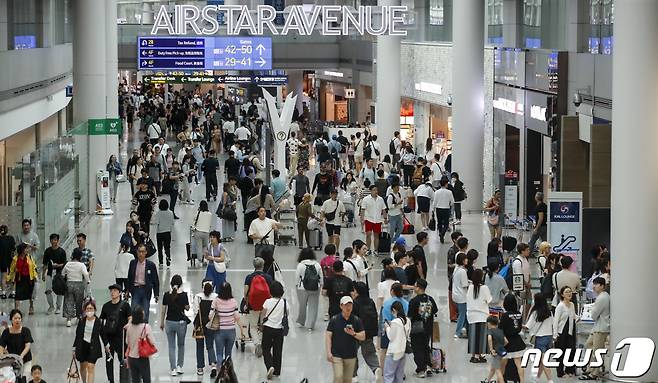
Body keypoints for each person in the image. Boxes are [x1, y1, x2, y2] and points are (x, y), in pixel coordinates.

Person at [326, 295, 366, 383]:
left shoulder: (356, 320)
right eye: (346, 305)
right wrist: (329, 352)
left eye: (350, 305)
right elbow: (328, 336)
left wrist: (354, 334)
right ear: (341, 306)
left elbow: (363, 336)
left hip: (351, 355)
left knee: (347, 380)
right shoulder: (334, 320)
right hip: (337, 354)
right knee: (338, 376)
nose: (348, 307)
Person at [99, 284, 131, 383]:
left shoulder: (125, 305)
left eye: (115, 291)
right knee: (109, 361)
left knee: (123, 360)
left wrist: (128, 325)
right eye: (111, 291)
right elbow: (101, 323)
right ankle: (111, 380)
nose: (112, 293)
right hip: (109, 338)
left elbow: (130, 318)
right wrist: (104, 342)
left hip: (121, 338)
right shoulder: (106, 306)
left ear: (120, 293)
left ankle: (124, 379)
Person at [243, 257, 274, 357]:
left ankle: (257, 343)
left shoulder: (249, 277)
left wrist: (246, 303)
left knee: (252, 326)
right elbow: (272, 292)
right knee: (263, 324)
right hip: (265, 305)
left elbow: (245, 292)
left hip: (253, 305)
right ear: (263, 265)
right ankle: (263, 342)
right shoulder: (268, 277)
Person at [580, 277, 610, 381]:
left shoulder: (602, 297)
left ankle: (595, 373)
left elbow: (593, 315)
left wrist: (592, 309)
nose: (594, 286)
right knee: (588, 345)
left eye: (596, 284)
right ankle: (591, 368)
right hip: (597, 327)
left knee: (596, 350)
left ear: (602, 286)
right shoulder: (603, 296)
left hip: (601, 328)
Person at [350, 281, 381, 380]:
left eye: (354, 290)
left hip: (357, 332)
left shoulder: (354, 303)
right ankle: (376, 369)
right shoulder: (370, 301)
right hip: (369, 331)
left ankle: (354, 375)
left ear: (357, 291)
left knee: (352, 352)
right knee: (369, 353)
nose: (352, 292)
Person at [408, 279, 438, 378]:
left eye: (415, 286)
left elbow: (410, 316)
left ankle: (421, 369)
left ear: (419, 287)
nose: (414, 287)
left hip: (416, 329)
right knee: (426, 346)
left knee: (417, 349)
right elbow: (435, 311)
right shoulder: (430, 299)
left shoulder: (414, 301)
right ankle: (428, 366)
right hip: (428, 327)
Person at [260, 281, 288, 379]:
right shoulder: (284, 302)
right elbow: (286, 314)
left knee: (266, 348)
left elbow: (263, 314)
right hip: (279, 330)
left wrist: (260, 324)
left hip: (268, 328)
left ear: (270, 291)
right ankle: (277, 370)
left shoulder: (267, 302)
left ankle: (269, 366)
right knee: (278, 350)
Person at [524, 293, 554, 383]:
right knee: (542, 359)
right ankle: (537, 377)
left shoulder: (535, 313)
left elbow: (527, 327)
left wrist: (519, 326)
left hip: (540, 338)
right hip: (549, 337)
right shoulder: (549, 312)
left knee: (543, 360)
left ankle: (550, 380)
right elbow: (553, 324)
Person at [73, 300, 104, 383]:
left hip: (93, 347)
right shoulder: (82, 321)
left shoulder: (98, 322)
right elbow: (78, 335)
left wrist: (106, 345)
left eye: (91, 309)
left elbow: (102, 334)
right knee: (83, 367)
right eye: (87, 309)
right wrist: (74, 348)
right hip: (82, 346)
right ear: (85, 310)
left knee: (90, 367)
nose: (89, 311)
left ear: (94, 310)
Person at [127, 244, 160, 322]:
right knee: (133, 311)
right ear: (137, 252)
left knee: (145, 312)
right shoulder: (133, 263)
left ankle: (144, 330)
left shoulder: (151, 265)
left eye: (143, 252)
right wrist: (128, 290)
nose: (141, 254)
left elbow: (155, 280)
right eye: (139, 252)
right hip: (135, 290)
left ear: (146, 252)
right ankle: (134, 329)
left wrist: (156, 294)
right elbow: (129, 277)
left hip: (146, 290)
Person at [466, 269, 492, 363]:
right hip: (482, 315)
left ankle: (474, 355)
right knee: (481, 337)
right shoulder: (484, 288)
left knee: (473, 336)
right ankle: (479, 355)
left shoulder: (470, 287)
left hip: (471, 315)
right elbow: (489, 300)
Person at [192, 280, 217, 376]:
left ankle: (200, 368)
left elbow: (195, 311)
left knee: (199, 346)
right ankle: (213, 365)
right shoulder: (215, 296)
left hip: (199, 325)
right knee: (210, 345)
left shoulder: (198, 297)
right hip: (210, 325)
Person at [500, 294, 526, 383]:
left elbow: (501, 329)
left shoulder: (505, 315)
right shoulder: (519, 314)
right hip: (518, 342)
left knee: (503, 365)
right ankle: (522, 381)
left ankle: (501, 380)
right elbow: (519, 327)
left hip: (507, 343)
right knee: (519, 364)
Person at [125, 306, 155, 383]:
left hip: (131, 358)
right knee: (146, 379)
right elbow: (152, 342)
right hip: (142, 357)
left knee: (135, 380)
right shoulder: (146, 327)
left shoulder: (129, 327)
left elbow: (127, 342)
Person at [383, 300, 410, 383]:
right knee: (399, 376)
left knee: (388, 376)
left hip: (393, 352)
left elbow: (391, 337)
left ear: (394, 310)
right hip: (402, 351)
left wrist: (387, 327)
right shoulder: (408, 320)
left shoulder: (395, 322)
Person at [295, 248, 322, 330]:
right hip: (315, 287)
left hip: (302, 288)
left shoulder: (300, 265)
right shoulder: (317, 265)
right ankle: (311, 325)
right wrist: (321, 285)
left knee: (302, 305)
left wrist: (296, 285)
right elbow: (321, 277)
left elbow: (297, 277)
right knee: (313, 306)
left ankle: (301, 321)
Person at [553, 286, 577, 378]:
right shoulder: (560, 306)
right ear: (562, 294)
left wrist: (579, 317)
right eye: (566, 292)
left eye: (570, 292)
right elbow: (556, 321)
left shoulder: (572, 305)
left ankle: (570, 370)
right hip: (561, 332)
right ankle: (560, 372)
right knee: (561, 352)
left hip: (570, 331)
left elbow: (573, 315)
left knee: (571, 351)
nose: (569, 293)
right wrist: (555, 335)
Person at [0, 309, 33, 377]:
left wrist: (21, 356)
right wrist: (1, 356)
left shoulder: (26, 331)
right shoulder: (6, 332)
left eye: (19, 318)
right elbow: (1, 346)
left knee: (24, 378)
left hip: (25, 360)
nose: (17, 320)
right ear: (11, 319)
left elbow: (27, 346)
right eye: (15, 318)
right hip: (12, 361)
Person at [62, 250, 90, 327]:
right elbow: (85, 274)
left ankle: (69, 320)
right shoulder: (81, 265)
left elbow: (62, 273)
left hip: (69, 284)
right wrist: (88, 281)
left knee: (68, 301)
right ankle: (79, 317)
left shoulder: (67, 264)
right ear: (80, 257)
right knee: (79, 302)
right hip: (79, 284)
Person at [8, 243, 37, 313]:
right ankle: (17, 310)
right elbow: (11, 269)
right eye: (26, 248)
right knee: (18, 295)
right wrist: (9, 279)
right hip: (19, 278)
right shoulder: (15, 259)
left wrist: (35, 276)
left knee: (30, 295)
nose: (28, 250)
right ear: (22, 250)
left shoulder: (29, 257)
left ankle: (31, 306)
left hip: (29, 278)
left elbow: (34, 267)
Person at [42, 233, 66, 315]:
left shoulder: (62, 251)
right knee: (48, 290)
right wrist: (43, 274)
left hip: (59, 274)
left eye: (55, 240)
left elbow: (65, 264)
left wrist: (57, 265)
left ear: (58, 241)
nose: (53, 241)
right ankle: (51, 306)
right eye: (52, 240)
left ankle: (58, 307)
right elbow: (45, 264)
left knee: (59, 290)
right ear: (50, 241)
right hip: (49, 273)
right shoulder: (47, 251)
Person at [360, 185, 388, 253]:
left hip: (378, 219)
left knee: (376, 235)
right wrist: (362, 219)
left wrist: (385, 218)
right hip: (369, 219)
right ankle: (368, 249)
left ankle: (376, 250)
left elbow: (384, 209)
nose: (376, 191)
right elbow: (363, 209)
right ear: (370, 191)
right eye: (374, 190)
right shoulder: (366, 199)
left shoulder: (380, 199)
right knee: (368, 234)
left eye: (376, 190)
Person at [484, 316, 506, 383]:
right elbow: (506, 341)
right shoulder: (500, 331)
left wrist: (491, 349)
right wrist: (501, 346)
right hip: (502, 352)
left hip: (496, 353)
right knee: (493, 368)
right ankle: (488, 380)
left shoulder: (490, 331)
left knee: (497, 370)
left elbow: (489, 339)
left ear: (489, 323)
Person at [452, 253, 469, 338]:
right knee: (462, 315)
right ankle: (457, 332)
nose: (467, 260)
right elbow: (465, 285)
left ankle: (464, 329)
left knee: (463, 313)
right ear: (463, 260)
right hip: (462, 296)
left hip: (455, 294)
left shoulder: (456, 268)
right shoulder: (462, 271)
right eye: (466, 259)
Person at [447, 232, 462, 322]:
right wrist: (458, 265)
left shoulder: (461, 250)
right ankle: (453, 315)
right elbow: (449, 264)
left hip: (459, 275)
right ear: (454, 240)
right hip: (452, 275)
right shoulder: (452, 251)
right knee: (452, 294)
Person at [432, 178, 454, 243]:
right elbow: (452, 202)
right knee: (446, 224)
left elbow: (434, 202)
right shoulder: (449, 192)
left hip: (438, 209)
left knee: (439, 222)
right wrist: (449, 204)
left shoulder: (436, 192)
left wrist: (433, 210)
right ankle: (442, 234)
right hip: (446, 209)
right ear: (446, 184)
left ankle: (440, 233)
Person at [153, 199, 174, 267]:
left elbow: (157, 222)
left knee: (160, 248)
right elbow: (172, 223)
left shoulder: (158, 213)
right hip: (168, 232)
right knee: (167, 247)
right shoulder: (171, 213)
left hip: (159, 233)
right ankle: (168, 259)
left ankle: (161, 262)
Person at [0, 225, 16, 299]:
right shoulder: (11, 238)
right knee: (12, 276)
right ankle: (13, 292)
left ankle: (3, 293)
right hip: (10, 260)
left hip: (2, 260)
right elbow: (14, 249)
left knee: (3, 276)